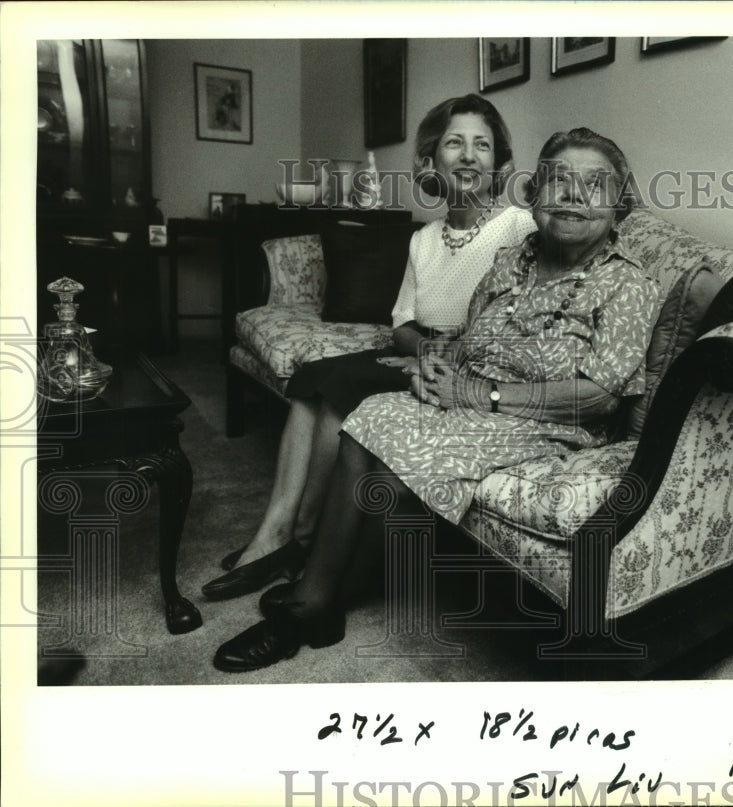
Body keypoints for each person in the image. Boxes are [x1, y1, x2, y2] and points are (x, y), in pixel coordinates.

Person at [213, 127, 663, 672]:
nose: (572, 195)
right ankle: (332, 591)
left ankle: (312, 603)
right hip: (473, 397)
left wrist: (481, 393)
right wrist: (436, 364)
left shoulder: (628, 284)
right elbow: (470, 335)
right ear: (535, 196)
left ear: (619, 206)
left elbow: (599, 395)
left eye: (594, 185)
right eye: (557, 180)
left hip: (548, 419)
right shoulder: (514, 259)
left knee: (390, 445)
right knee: (373, 414)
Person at [201, 94, 535, 602]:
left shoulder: (518, 227)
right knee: (314, 376)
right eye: (455, 143)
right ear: (431, 162)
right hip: (421, 354)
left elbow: (524, 315)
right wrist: (421, 350)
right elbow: (401, 322)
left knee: (343, 384)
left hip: (468, 365)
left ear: (497, 163)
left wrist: (447, 354)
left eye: (482, 145)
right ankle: (279, 531)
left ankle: (297, 540)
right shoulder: (423, 238)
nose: (469, 155)